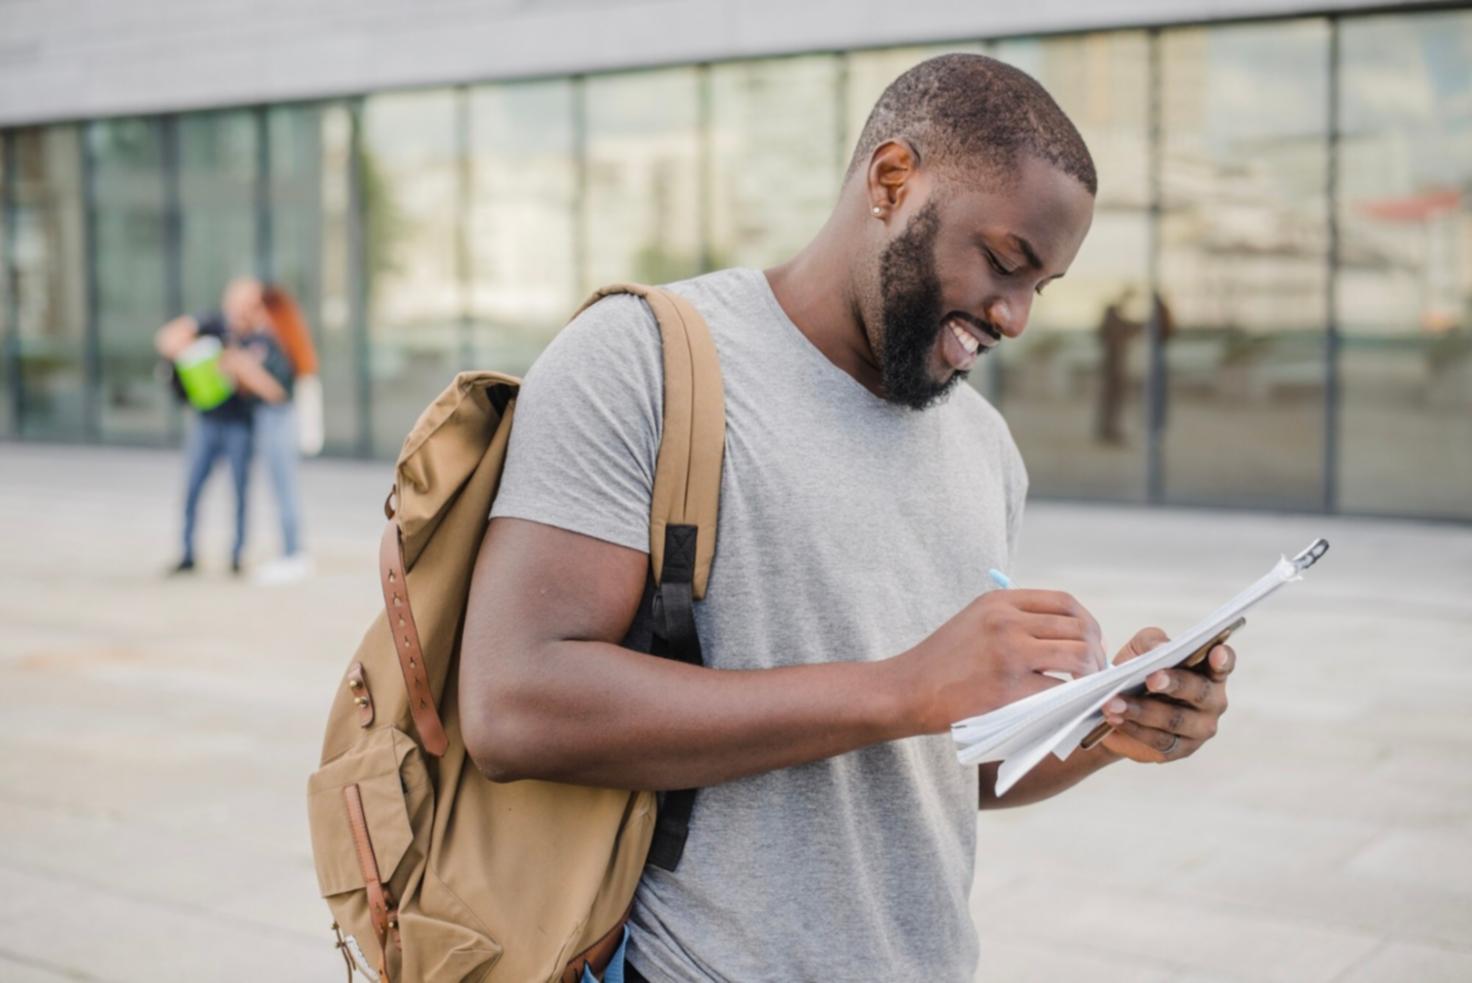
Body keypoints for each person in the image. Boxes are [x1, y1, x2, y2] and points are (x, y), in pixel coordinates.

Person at [459, 55, 1237, 982]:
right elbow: (514, 706)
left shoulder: (986, 447)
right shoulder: (643, 359)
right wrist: (906, 683)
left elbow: (943, 764)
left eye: (1044, 286)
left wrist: (1110, 724)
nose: (1017, 315)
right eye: (1003, 261)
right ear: (892, 179)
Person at [156, 278, 289, 575]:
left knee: (241, 491)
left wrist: (240, 366)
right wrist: (195, 351)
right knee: (193, 488)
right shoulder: (211, 325)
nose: (244, 308)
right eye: (240, 301)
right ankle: (187, 553)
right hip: (206, 421)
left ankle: (237, 555)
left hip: (239, 424)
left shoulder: (261, 340)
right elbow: (167, 340)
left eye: (251, 302)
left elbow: (275, 391)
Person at [251, 284, 323, 585]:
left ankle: (293, 554)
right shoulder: (280, 341)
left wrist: (247, 368)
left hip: (279, 419)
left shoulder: (277, 344)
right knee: (282, 487)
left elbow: (277, 391)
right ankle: (290, 553)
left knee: (284, 488)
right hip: (277, 419)